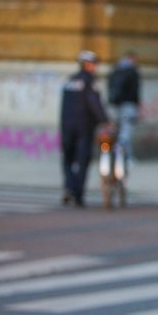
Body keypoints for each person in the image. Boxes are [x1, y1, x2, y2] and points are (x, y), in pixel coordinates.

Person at [60, 50, 109, 207]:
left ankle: (69, 187)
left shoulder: (70, 81)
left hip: (67, 127)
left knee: (68, 159)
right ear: (88, 65)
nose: (95, 67)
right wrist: (105, 121)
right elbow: (94, 104)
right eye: (94, 64)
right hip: (84, 128)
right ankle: (78, 194)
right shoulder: (90, 82)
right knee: (82, 161)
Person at [107, 50, 141, 164]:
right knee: (126, 133)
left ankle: (118, 155)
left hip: (114, 105)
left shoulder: (115, 70)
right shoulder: (132, 71)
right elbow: (135, 91)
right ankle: (123, 156)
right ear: (132, 58)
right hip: (128, 105)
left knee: (117, 131)